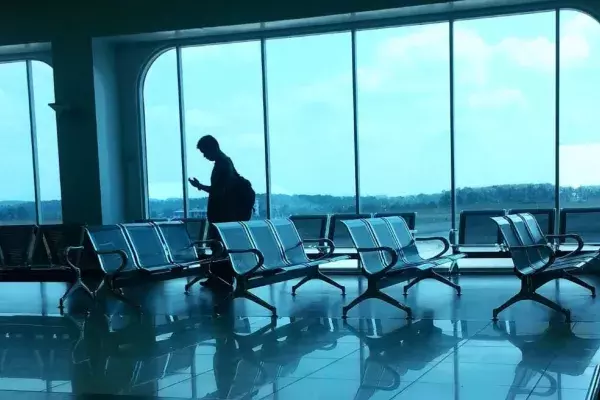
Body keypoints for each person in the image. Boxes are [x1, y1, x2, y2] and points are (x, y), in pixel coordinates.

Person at [188, 135, 256, 290]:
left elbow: (219, 191)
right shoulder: (225, 162)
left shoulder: (223, 164)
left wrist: (200, 186)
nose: (204, 156)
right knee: (220, 247)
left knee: (218, 246)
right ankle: (220, 278)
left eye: (205, 152)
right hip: (226, 214)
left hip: (222, 215)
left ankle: (220, 279)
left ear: (213, 147)